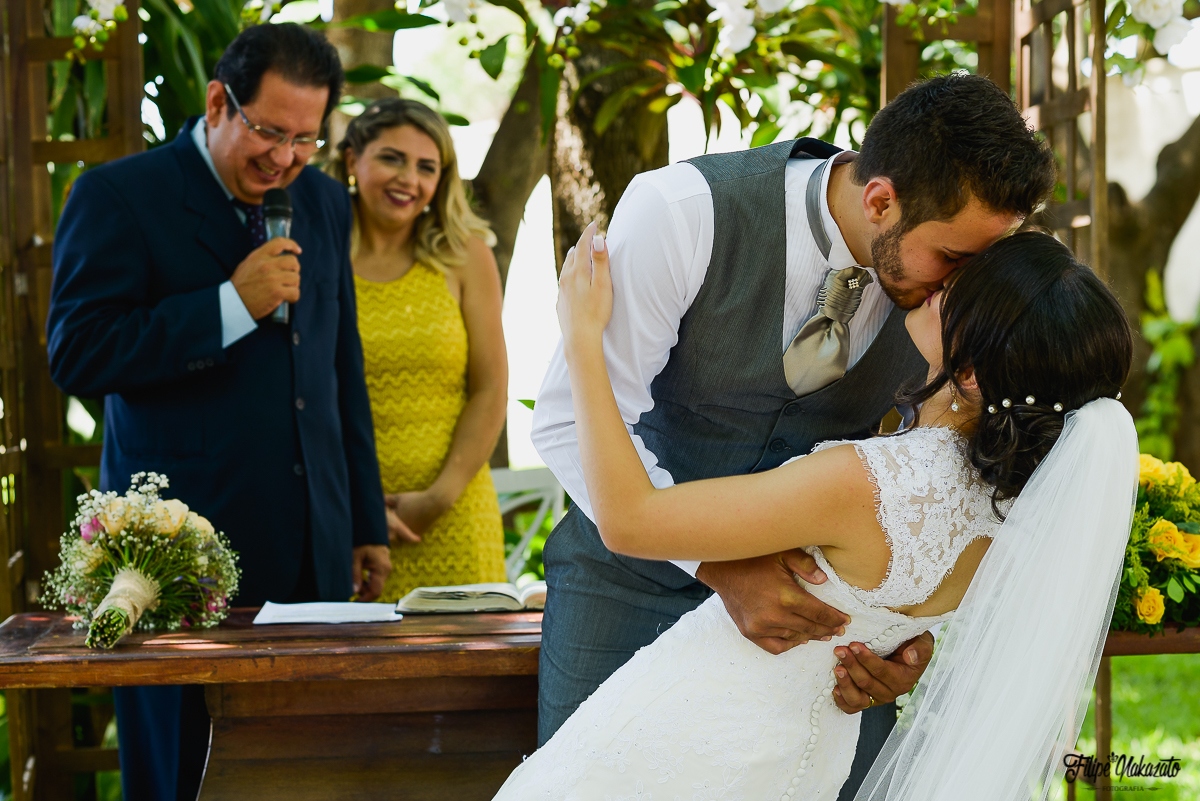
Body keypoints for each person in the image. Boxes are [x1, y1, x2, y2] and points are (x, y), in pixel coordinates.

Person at [529, 72, 1059, 797]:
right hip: (628, 586)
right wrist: (718, 566)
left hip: (818, 631)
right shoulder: (682, 213)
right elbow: (567, 420)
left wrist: (901, 634)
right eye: (955, 261)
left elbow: (934, 483)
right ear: (881, 201)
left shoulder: (940, 316)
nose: (960, 290)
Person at [495, 226, 1137, 799]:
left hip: (688, 743)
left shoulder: (871, 484)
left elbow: (631, 519)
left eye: (953, 294)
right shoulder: (1013, 510)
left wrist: (581, 339)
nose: (935, 288)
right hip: (805, 761)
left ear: (969, 376)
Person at [46, 23, 389, 801]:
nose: (285, 158)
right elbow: (79, 353)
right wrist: (229, 306)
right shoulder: (119, 196)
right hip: (179, 559)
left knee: (308, 771)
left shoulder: (326, 202)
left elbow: (342, 368)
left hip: (315, 554)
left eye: (306, 138)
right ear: (217, 101)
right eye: (269, 131)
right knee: (182, 772)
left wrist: (363, 520)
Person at [330, 98, 508, 601]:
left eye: (426, 167)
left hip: (451, 515)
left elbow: (491, 388)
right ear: (351, 162)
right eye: (392, 158)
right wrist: (357, 511)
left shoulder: (465, 254)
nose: (408, 178)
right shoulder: (318, 252)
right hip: (344, 525)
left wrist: (436, 499)